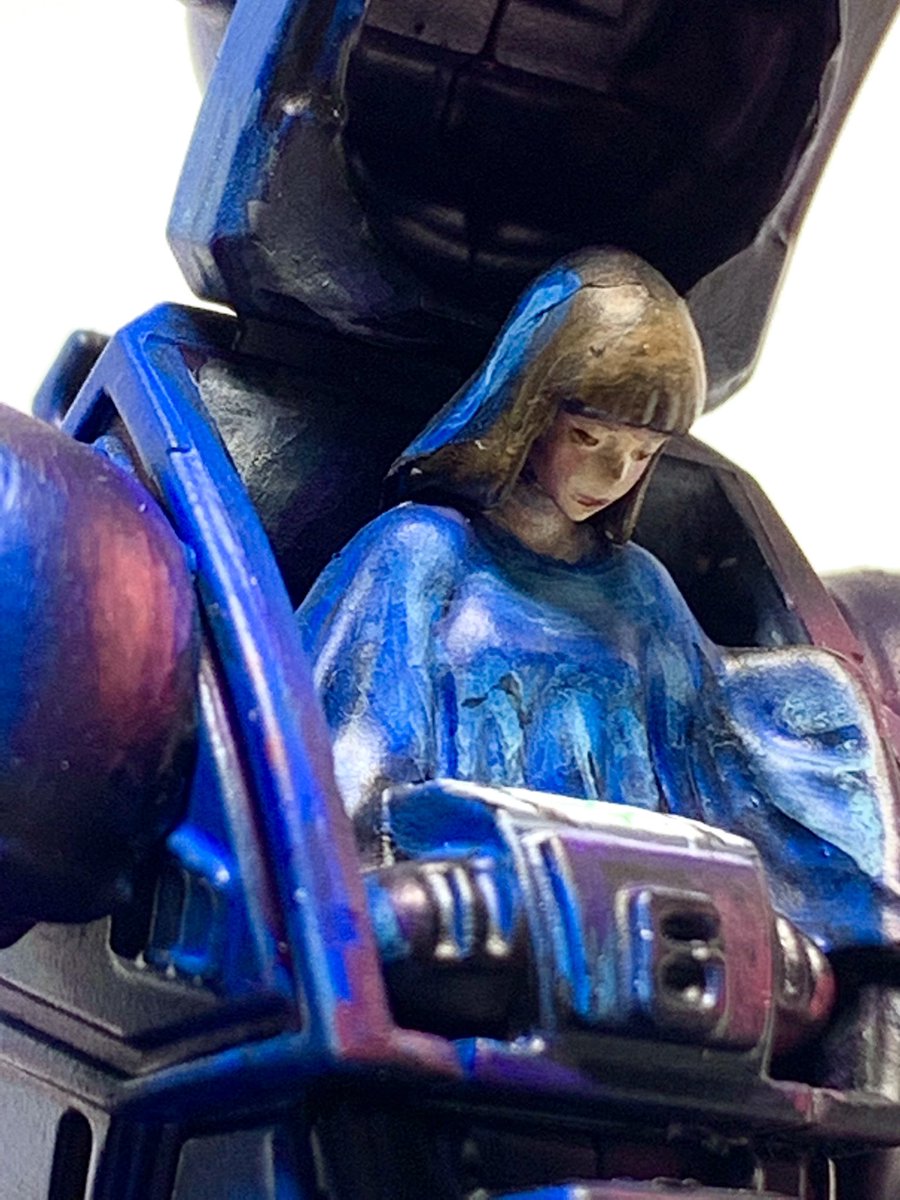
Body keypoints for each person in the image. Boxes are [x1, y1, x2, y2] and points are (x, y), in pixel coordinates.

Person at [297, 248, 900, 951]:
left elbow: (710, 756)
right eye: (588, 437)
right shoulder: (420, 551)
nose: (614, 472)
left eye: (643, 453)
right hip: (475, 905)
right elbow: (359, 746)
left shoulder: (639, 588)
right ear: (527, 411)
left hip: (641, 921)